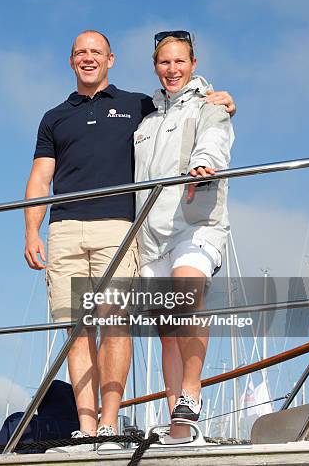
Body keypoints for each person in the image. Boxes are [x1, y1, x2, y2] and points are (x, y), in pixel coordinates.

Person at [24, 30, 234, 453]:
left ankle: (112, 424)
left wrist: (223, 100)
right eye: (80, 53)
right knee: (81, 329)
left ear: (111, 59)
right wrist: (31, 229)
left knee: (121, 321)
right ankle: (89, 427)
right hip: (75, 230)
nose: (88, 58)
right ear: (71, 61)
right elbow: (40, 177)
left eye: (96, 52)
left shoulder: (137, 104)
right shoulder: (56, 116)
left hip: (122, 229)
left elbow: (197, 110)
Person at [134, 30, 233, 443]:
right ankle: (179, 428)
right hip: (151, 234)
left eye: (179, 61)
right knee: (166, 329)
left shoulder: (210, 104)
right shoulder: (146, 118)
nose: (172, 69)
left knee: (188, 292)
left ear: (193, 64)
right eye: (163, 62)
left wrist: (204, 163)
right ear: (155, 67)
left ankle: (191, 393)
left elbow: (216, 137)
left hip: (195, 222)